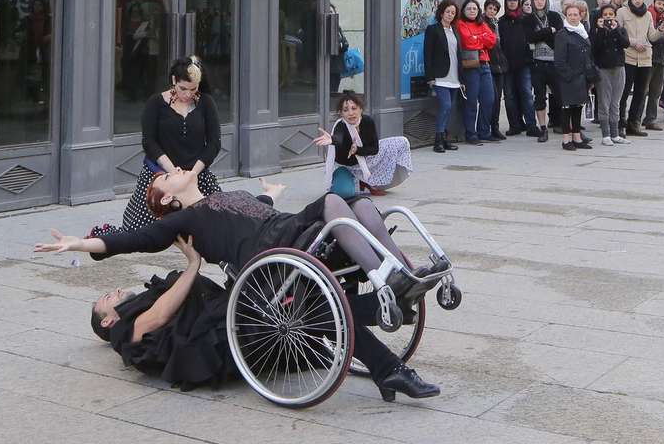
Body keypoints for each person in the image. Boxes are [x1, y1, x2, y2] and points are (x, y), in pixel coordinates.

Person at [41, 172, 442, 402]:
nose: (172, 170)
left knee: (358, 202)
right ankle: (388, 284)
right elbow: (129, 240)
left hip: (283, 227)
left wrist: (270, 194)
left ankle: (401, 274)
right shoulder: (182, 222)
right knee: (334, 203)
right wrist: (79, 243)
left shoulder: (220, 194)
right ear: (169, 201)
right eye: (165, 178)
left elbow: (253, 209)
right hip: (270, 252)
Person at [89, 234, 236, 392]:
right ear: (106, 321)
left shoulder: (136, 307)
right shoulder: (121, 332)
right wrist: (193, 263)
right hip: (216, 331)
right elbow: (159, 317)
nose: (116, 290)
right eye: (108, 297)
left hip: (218, 307)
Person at [122, 57, 222, 231]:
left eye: (193, 89)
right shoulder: (156, 102)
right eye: (183, 88)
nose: (188, 94)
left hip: (197, 175)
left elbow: (214, 143)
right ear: (174, 80)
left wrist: (192, 175)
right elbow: (149, 142)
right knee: (140, 231)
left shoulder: (205, 102)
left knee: (216, 225)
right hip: (161, 176)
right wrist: (171, 172)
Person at [321, 92, 411, 195]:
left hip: (364, 160)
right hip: (345, 166)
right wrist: (332, 140)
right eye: (346, 110)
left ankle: (368, 182)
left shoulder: (368, 121)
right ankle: (343, 183)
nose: (350, 113)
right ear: (341, 113)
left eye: (354, 108)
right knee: (345, 193)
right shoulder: (340, 126)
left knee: (401, 142)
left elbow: (374, 149)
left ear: (361, 109)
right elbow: (338, 138)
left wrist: (357, 150)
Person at [553, 0, 596, 151]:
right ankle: (566, 139)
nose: (573, 17)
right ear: (565, 16)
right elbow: (559, 59)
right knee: (567, 107)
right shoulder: (562, 34)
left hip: (583, 77)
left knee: (578, 107)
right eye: (570, 15)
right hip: (569, 78)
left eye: (575, 14)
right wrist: (569, 76)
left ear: (580, 16)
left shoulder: (583, 32)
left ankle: (577, 137)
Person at [454, 0, 499, 145]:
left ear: (478, 11)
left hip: (485, 65)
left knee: (489, 100)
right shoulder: (461, 24)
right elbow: (467, 41)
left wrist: (477, 39)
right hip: (470, 67)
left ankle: (484, 132)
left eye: (475, 8)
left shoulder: (482, 24)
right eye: (469, 9)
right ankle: (470, 134)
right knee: (471, 101)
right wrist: (481, 40)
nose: (472, 11)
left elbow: (492, 40)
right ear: (464, 11)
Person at [619, 0, 661, 136]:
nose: (637, 1)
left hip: (645, 59)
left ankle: (634, 124)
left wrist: (661, 30)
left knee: (641, 92)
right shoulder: (622, 12)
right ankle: (620, 124)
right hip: (628, 57)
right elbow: (619, 34)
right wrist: (634, 42)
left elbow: (651, 36)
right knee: (624, 92)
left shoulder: (648, 14)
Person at [420, 0, 461, 154]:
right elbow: (427, 54)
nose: (450, 15)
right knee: (446, 105)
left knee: (450, 108)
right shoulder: (433, 30)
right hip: (440, 76)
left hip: (454, 76)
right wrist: (430, 76)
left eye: (453, 13)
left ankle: (445, 138)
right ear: (442, 12)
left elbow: (458, 55)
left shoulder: (455, 31)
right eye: (448, 11)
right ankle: (437, 140)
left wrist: (461, 79)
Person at [524, 0, 563, 145]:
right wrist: (548, 30)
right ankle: (543, 128)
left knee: (561, 95)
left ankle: (568, 127)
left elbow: (559, 36)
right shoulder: (528, 19)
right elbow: (529, 37)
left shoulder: (554, 16)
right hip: (537, 62)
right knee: (539, 96)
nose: (539, 1)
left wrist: (540, 34)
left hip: (554, 62)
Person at [496, 0, 538, 138]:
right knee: (509, 96)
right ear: (506, 2)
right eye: (509, 0)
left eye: (515, 0)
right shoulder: (501, 22)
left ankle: (532, 126)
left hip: (524, 64)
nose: (512, 2)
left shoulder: (526, 19)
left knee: (526, 94)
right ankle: (514, 125)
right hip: (507, 65)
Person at [591, 2, 630, 144]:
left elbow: (625, 43)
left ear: (615, 16)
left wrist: (614, 30)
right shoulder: (596, 31)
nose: (608, 18)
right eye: (605, 15)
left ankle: (615, 134)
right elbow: (595, 48)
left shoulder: (620, 29)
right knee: (604, 103)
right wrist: (601, 30)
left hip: (619, 68)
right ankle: (605, 135)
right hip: (603, 70)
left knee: (616, 104)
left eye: (611, 15)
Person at [481, 0, 509, 140]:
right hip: (488, 64)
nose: (492, 11)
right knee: (491, 98)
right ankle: (485, 128)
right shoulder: (482, 23)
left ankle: (495, 127)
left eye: (494, 9)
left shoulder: (496, 25)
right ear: (485, 9)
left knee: (498, 98)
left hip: (500, 65)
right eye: (490, 8)